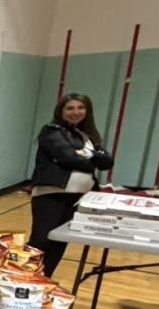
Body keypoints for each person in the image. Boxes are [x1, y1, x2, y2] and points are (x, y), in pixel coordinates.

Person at [28, 93, 114, 277]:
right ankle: (25, 279)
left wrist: (89, 154)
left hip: (78, 198)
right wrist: (91, 158)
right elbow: (69, 158)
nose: (75, 112)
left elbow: (107, 162)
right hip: (50, 194)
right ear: (61, 111)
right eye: (70, 108)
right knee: (41, 240)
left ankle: (45, 280)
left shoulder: (87, 136)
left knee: (60, 240)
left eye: (80, 108)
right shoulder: (51, 131)